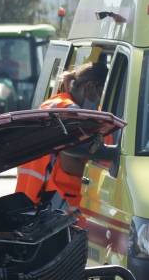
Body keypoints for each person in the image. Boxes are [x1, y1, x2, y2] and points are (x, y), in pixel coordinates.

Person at [15, 59, 107, 207]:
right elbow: (69, 161)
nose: (100, 103)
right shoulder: (72, 113)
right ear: (90, 87)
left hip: (31, 193)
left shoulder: (57, 103)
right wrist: (105, 178)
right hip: (53, 197)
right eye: (101, 94)